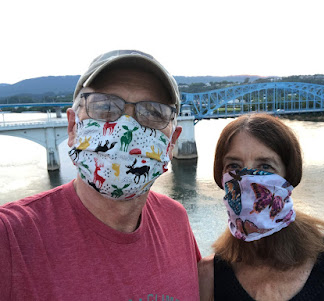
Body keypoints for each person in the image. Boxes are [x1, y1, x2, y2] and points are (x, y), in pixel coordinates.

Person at [0, 50, 201, 300]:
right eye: (105, 106)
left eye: (153, 113)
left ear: (171, 143)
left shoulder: (176, 220)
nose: (127, 124)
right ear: (72, 126)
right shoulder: (10, 238)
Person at [198, 113, 324, 301]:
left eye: (265, 166)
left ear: (288, 177)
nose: (247, 179)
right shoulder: (208, 275)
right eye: (234, 165)